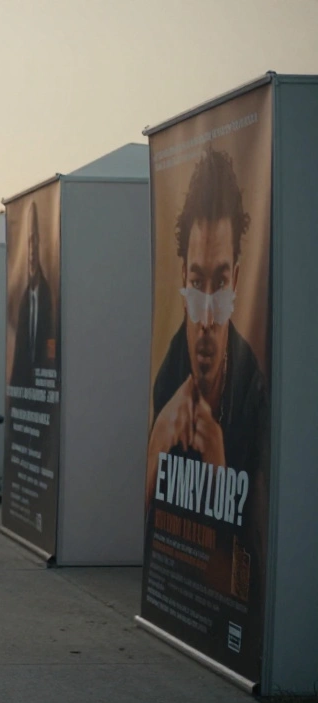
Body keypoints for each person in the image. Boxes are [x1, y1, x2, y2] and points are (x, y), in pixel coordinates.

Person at [144, 148, 269, 661]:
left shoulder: (255, 393)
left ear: (238, 280)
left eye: (221, 283)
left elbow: (253, 582)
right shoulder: (168, 376)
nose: (209, 313)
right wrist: (154, 450)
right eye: (198, 283)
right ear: (182, 277)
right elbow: (149, 550)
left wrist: (218, 475)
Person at [10, 200, 54, 389]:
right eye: (29, 242)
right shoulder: (24, 301)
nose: (32, 251)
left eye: (36, 240)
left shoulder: (49, 297)